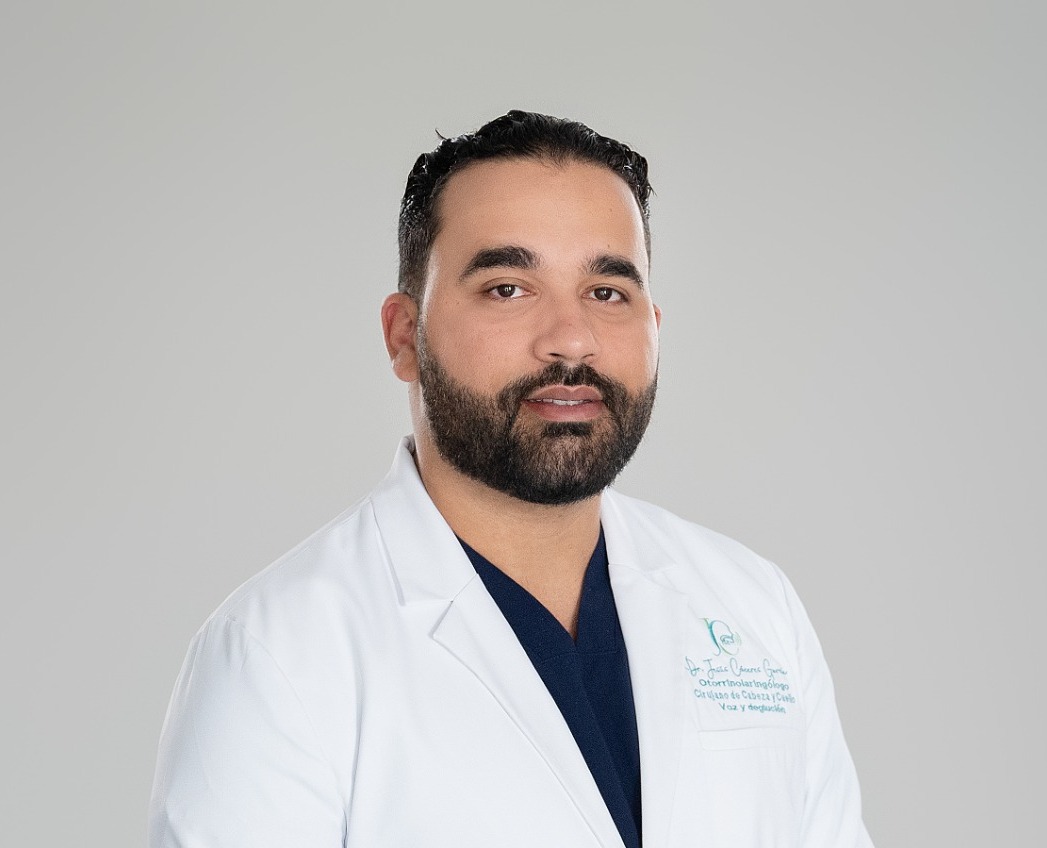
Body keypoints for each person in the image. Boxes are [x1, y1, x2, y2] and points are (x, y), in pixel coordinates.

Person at [149, 110, 874, 848]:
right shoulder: (280, 652)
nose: (571, 340)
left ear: (654, 326)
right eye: (507, 288)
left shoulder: (754, 607)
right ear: (404, 337)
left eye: (607, 292)